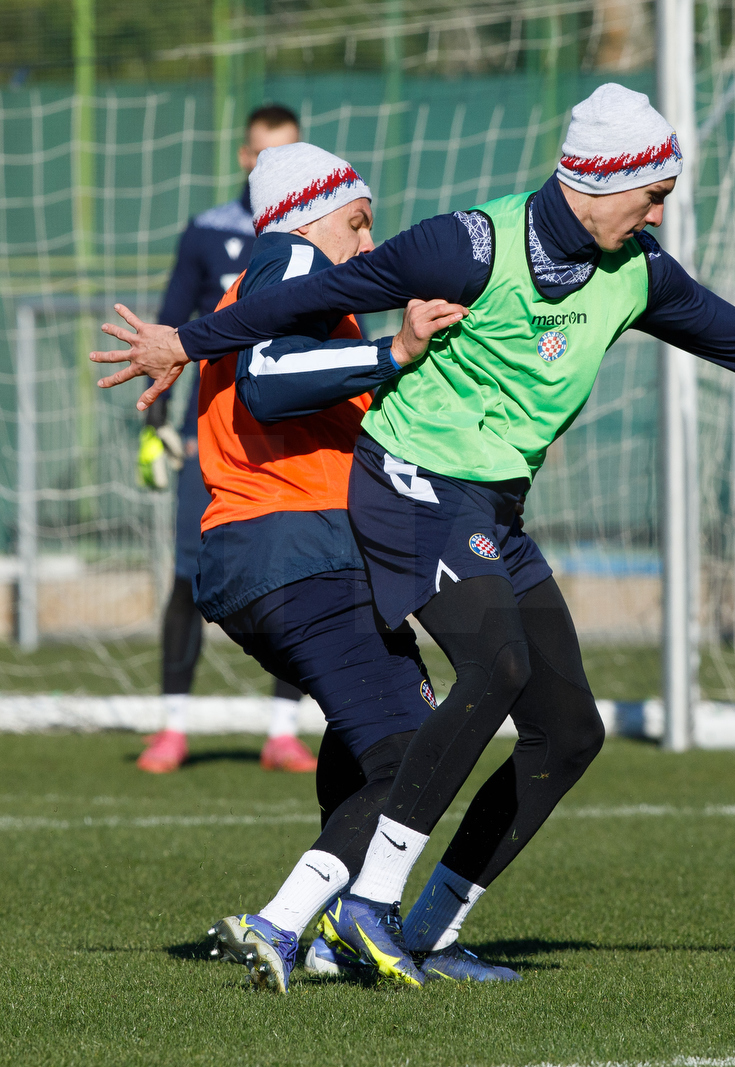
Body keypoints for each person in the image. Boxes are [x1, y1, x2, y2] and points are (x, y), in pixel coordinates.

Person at [93, 84, 735, 983]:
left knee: (568, 732)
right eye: (654, 191)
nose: (661, 209)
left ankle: (427, 930)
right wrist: (191, 340)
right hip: (411, 485)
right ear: (599, 183)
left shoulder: (641, 272)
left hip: (491, 510)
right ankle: (365, 906)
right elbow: (327, 289)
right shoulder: (468, 242)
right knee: (495, 668)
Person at [189, 143, 509, 992]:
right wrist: (392, 351)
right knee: (410, 749)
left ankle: (341, 929)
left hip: (267, 559)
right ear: (306, 214)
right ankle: (285, 921)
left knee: (369, 734)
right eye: (357, 221)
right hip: (297, 556)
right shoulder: (288, 259)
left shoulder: (272, 294)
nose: (369, 245)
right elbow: (268, 380)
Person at [135, 103, 318, 775]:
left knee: (303, 573)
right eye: (266, 154)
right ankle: (173, 727)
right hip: (209, 441)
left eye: (289, 152)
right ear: (245, 158)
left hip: (293, 436)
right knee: (190, 572)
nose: (275, 165)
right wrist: (156, 427)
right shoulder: (207, 233)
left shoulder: (317, 229)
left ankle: (282, 730)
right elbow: (164, 331)